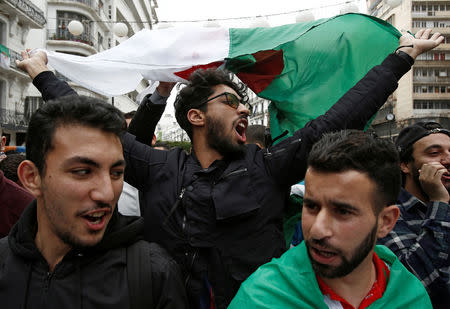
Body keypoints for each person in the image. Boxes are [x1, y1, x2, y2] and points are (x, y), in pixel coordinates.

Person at [17, 29, 443, 309]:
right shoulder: (156, 166)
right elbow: (96, 125)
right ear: (196, 118)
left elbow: (337, 119)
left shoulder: (269, 166)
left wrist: (402, 58)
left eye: (242, 102)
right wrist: (43, 75)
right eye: (229, 101)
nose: (243, 108)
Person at [0, 95, 188, 308]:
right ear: (32, 178)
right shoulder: (4, 264)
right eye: (82, 171)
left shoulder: (155, 275)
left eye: (117, 173)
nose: (107, 194)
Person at [229, 130, 432, 308]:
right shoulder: (261, 298)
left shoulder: (411, 297)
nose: (318, 230)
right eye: (311, 206)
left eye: (342, 212)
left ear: (386, 221)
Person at [378, 121, 450, 308]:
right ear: (405, 165)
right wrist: (439, 202)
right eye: (434, 153)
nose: (447, 159)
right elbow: (416, 281)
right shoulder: (388, 213)